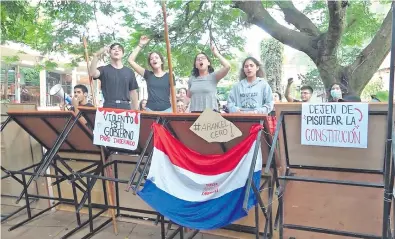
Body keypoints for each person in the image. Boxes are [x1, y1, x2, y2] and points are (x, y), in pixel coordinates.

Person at [128, 36, 174, 112]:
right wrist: (140, 45)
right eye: (151, 59)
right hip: (150, 110)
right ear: (150, 63)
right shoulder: (148, 74)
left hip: (167, 110)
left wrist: (174, 113)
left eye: (156, 57)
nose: (154, 59)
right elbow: (130, 61)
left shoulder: (170, 76)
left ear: (161, 61)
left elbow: (173, 96)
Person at [89, 43, 139, 110]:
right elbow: (92, 73)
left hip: (125, 106)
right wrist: (97, 55)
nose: (116, 51)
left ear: (123, 54)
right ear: (109, 53)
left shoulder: (129, 72)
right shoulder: (103, 69)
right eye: (114, 49)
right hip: (108, 106)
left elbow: (133, 93)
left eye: (119, 50)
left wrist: (135, 111)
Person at [187, 45, 231, 113]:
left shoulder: (214, 76)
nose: (200, 60)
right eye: (198, 59)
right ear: (196, 65)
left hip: (211, 114)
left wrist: (216, 53)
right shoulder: (191, 79)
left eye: (203, 58)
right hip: (194, 114)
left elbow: (227, 66)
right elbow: (188, 96)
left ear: (208, 63)